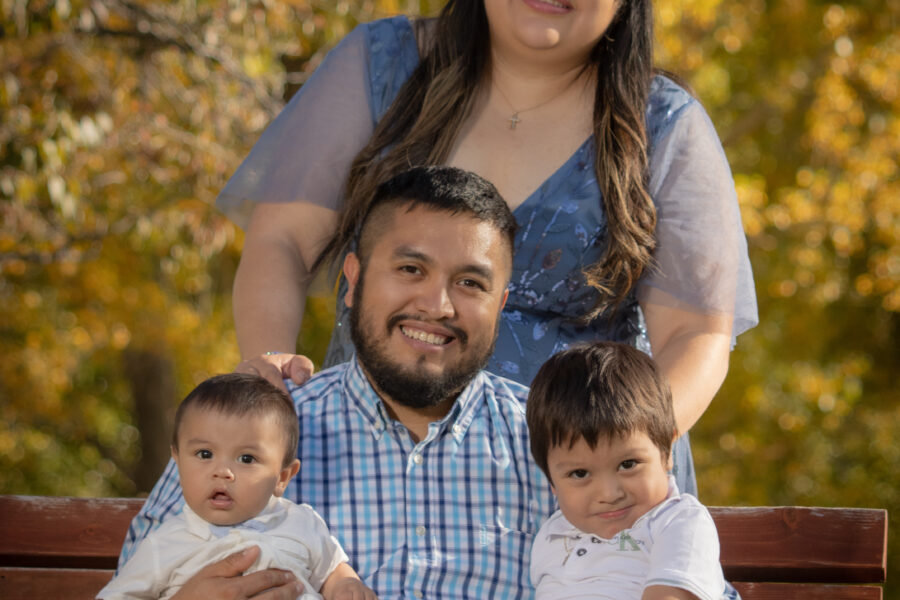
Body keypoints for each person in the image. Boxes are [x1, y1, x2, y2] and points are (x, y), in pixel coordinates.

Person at [222, 0, 758, 498]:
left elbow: (697, 333)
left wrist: (603, 466)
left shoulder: (663, 126)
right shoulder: (381, 66)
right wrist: (271, 386)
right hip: (367, 463)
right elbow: (282, 239)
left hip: (573, 497)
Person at [122, 167, 556, 599]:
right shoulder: (249, 429)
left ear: (499, 304)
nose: (437, 306)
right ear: (354, 280)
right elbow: (132, 582)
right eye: (410, 269)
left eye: (469, 283)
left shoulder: (553, 440)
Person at [99, 373, 374, 600]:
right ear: (177, 459)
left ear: (282, 477)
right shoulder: (165, 543)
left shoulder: (301, 522)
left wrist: (343, 585)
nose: (223, 472)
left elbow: (332, 568)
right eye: (205, 454)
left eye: (247, 458)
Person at [526, 341, 734, 600]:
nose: (609, 493)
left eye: (628, 465)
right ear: (551, 481)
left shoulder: (678, 523)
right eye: (579, 474)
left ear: (667, 452)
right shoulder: (552, 535)